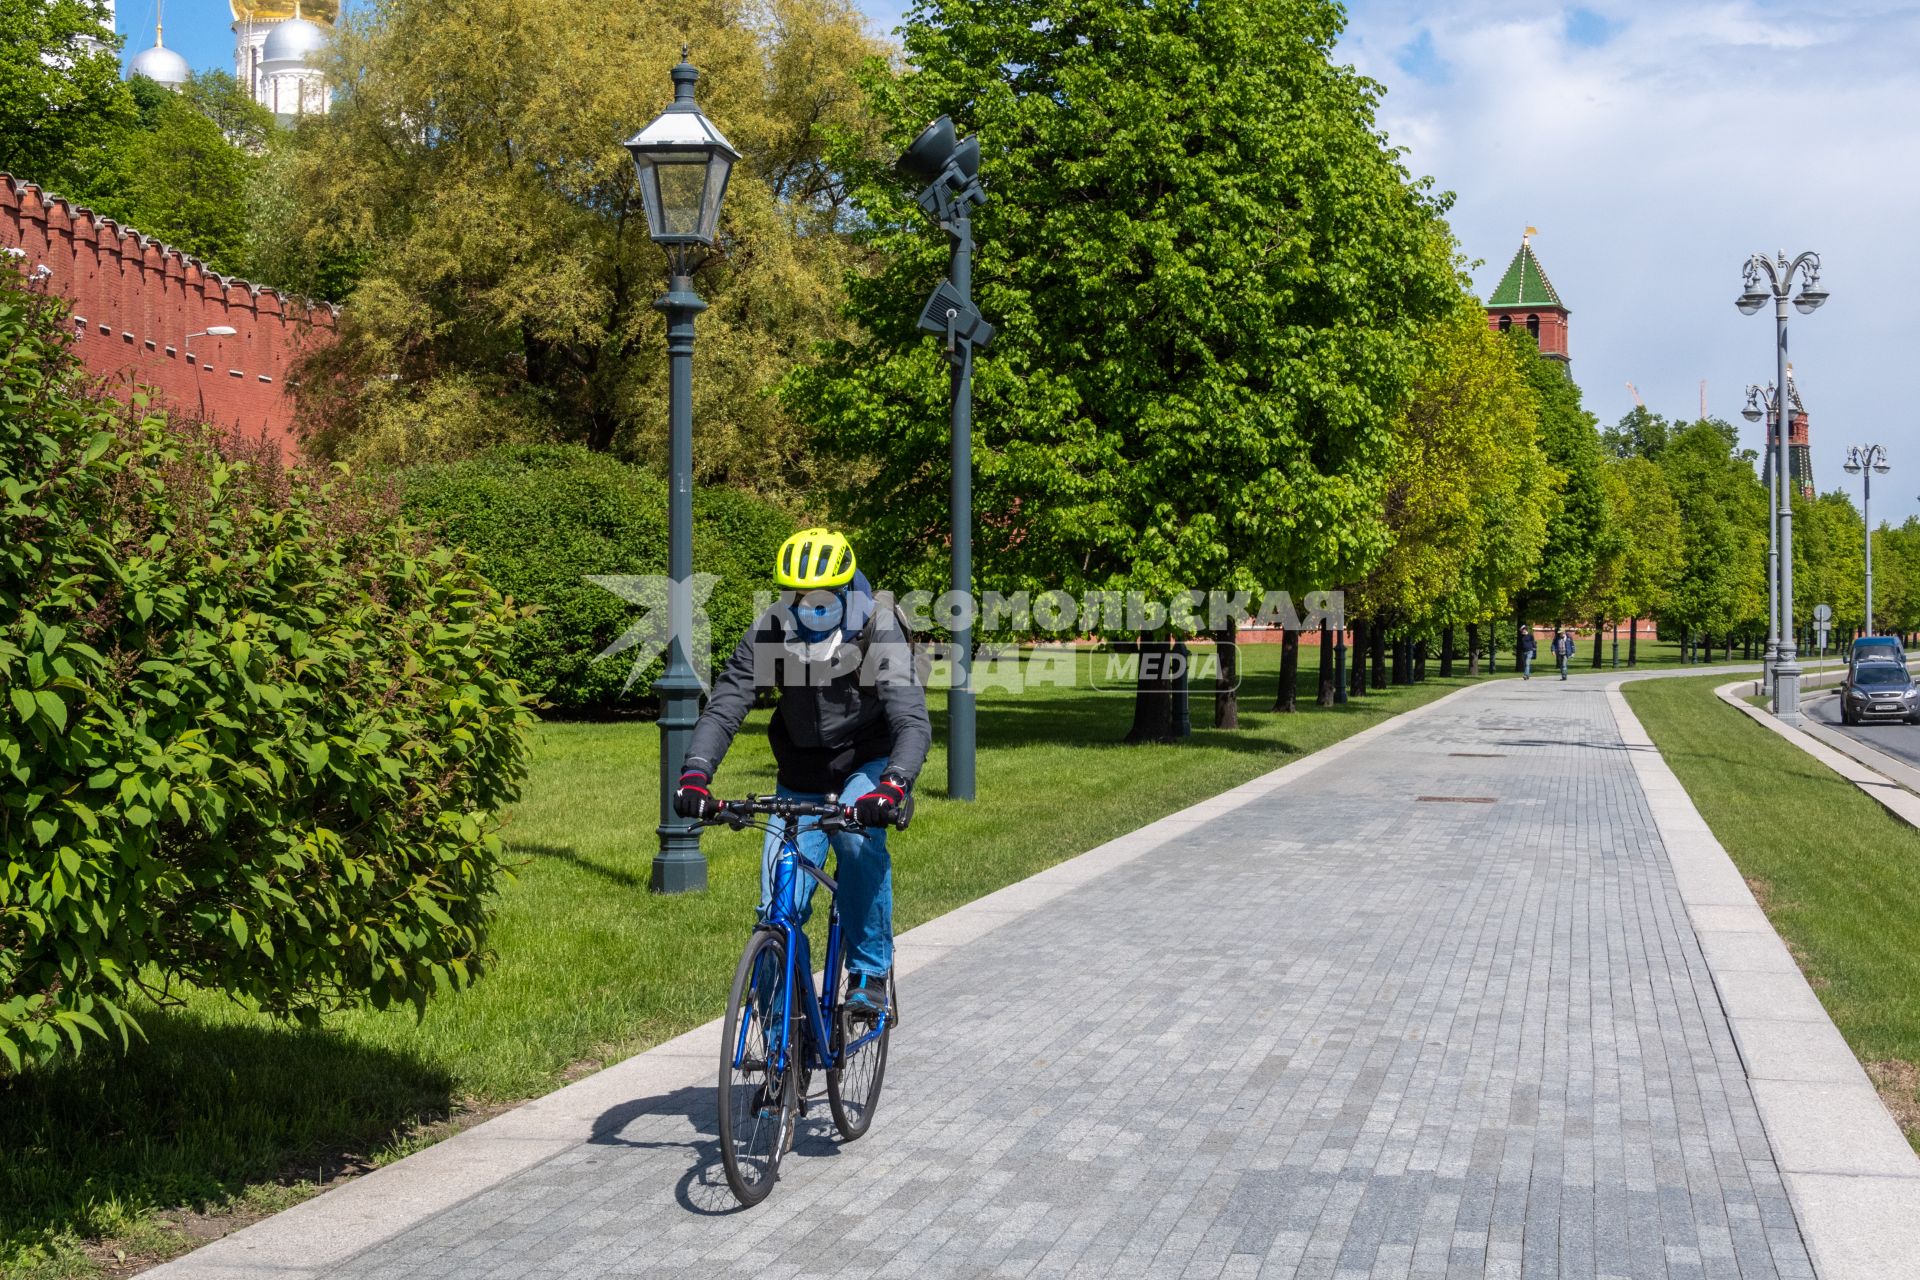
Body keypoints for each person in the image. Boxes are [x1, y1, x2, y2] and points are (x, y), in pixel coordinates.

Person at [673, 528, 929, 1018]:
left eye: (820, 596)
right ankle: (777, 1054)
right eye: (796, 595)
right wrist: (695, 774)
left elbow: (910, 718)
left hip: (864, 762)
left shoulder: (877, 625)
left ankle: (871, 973)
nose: (806, 606)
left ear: (843, 588)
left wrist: (893, 784)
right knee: (776, 907)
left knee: (857, 843)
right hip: (800, 770)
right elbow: (728, 704)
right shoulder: (773, 628)